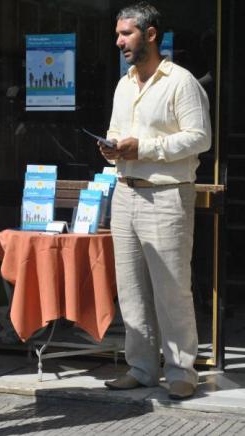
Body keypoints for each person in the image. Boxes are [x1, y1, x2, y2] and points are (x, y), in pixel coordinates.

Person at [101, 2, 211, 400]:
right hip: (126, 193)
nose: (119, 42)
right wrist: (113, 148)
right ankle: (142, 367)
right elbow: (117, 129)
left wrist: (143, 148)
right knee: (130, 287)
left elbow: (200, 138)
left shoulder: (181, 82)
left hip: (165, 196)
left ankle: (182, 370)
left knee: (171, 288)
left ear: (150, 34)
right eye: (118, 34)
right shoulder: (124, 83)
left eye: (126, 33)